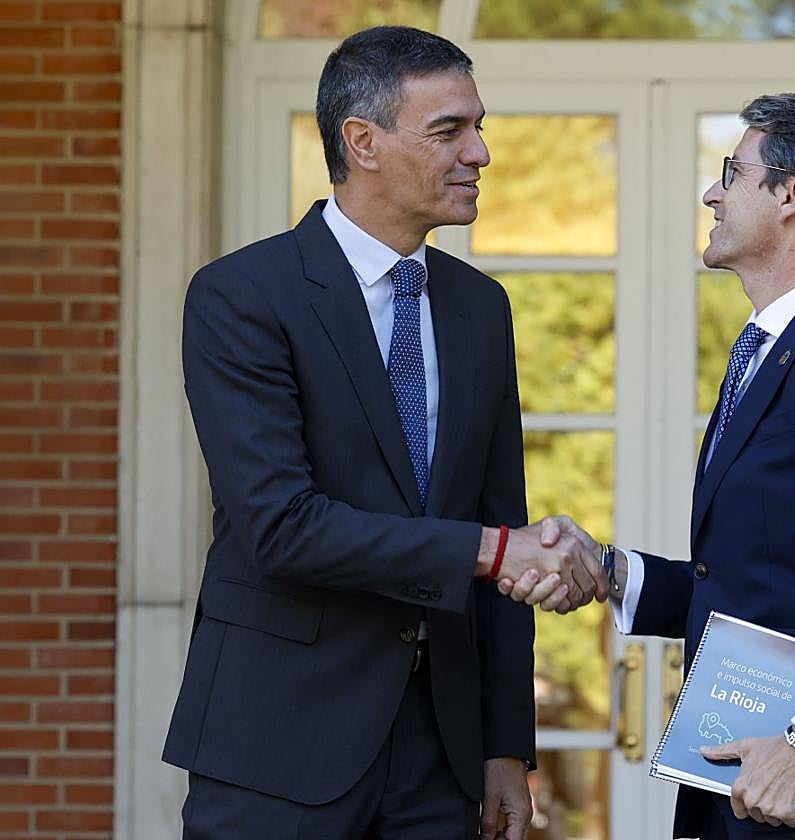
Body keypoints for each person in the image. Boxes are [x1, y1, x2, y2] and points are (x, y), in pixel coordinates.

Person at [163, 26, 604, 839]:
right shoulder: (241, 296)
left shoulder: (481, 308)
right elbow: (280, 527)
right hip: (276, 745)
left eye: (480, 126)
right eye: (449, 131)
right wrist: (495, 551)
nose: (480, 153)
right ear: (361, 142)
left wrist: (505, 745)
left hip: (439, 758)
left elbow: (498, 509)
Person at [515, 93, 795, 839]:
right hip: (740, 792)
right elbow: (767, 579)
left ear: (792, 194)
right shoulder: (774, 352)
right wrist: (612, 570)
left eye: (733, 171)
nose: (712, 191)